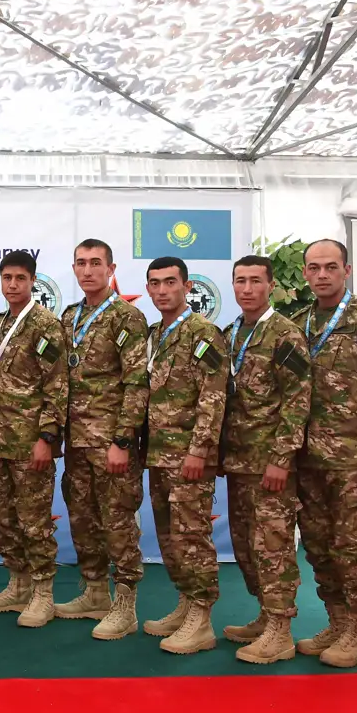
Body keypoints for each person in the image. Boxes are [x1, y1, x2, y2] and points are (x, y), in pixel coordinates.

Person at [290, 239, 357, 668]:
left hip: (353, 459)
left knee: (352, 547)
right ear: (304, 273)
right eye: (314, 268)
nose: (322, 275)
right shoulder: (298, 323)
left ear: (346, 271)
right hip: (308, 458)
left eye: (331, 267)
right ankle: (336, 622)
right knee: (318, 546)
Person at [56, 239, 149, 640]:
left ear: (111, 269)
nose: (88, 270)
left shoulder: (126, 317)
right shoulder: (69, 316)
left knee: (117, 522)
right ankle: (94, 592)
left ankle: (125, 605)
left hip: (110, 442)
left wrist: (123, 440)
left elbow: (137, 382)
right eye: (81, 263)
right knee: (83, 519)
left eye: (96, 263)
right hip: (76, 441)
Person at [220, 255, 310, 664]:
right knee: (246, 546)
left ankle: (281, 630)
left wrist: (282, 457)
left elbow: (298, 398)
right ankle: (265, 614)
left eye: (256, 281)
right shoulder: (231, 334)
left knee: (273, 545)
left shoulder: (284, 334)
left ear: (271, 285)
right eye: (240, 281)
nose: (247, 289)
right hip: (238, 461)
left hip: (270, 463)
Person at [140, 256, 227, 655]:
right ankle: (186, 603)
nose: (162, 290)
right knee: (170, 537)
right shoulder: (155, 333)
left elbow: (213, 396)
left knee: (192, 536)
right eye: (155, 283)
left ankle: (202, 619)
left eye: (170, 282)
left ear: (187, 287)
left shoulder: (202, 333)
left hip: (189, 456)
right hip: (158, 454)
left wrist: (200, 451)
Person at [0, 251, 67, 627]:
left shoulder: (45, 324)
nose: (13, 284)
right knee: (1, 517)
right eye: (7, 278)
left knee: (34, 520)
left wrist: (47, 436)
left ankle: (43, 593)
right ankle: (18, 583)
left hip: (31, 441)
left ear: (33, 281)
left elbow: (57, 384)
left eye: (20, 278)